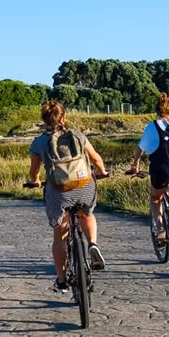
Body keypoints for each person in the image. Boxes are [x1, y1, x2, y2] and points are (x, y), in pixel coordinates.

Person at [26, 100, 108, 292]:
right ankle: (93, 244)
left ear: (44, 119)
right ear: (64, 118)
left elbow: (34, 170)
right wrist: (102, 171)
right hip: (84, 187)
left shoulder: (39, 142)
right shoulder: (78, 136)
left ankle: (62, 280)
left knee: (59, 236)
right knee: (86, 213)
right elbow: (95, 158)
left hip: (58, 192)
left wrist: (35, 181)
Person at [127, 92, 169, 239]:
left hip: (160, 171)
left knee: (155, 198)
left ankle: (160, 228)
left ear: (156, 112)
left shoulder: (151, 127)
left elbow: (140, 149)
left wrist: (134, 165)